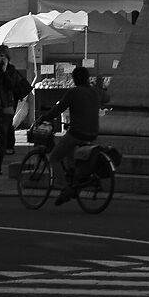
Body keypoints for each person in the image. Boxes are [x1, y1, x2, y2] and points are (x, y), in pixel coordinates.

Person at [45, 64, 102, 205]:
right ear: (88, 79)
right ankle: (74, 178)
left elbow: (58, 109)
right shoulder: (95, 92)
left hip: (77, 132)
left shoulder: (73, 92)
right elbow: (107, 98)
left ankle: (65, 188)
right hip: (93, 132)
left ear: (74, 79)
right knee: (70, 154)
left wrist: (44, 117)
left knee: (54, 157)